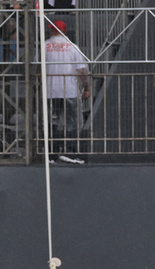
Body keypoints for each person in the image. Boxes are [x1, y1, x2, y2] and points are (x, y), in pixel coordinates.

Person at [45, 19, 89, 164]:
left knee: (54, 121)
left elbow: (36, 66)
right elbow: (81, 70)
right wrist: (86, 87)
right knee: (73, 121)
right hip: (70, 90)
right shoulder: (72, 47)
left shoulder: (45, 46)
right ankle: (71, 152)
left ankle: (52, 152)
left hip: (51, 91)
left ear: (53, 31)